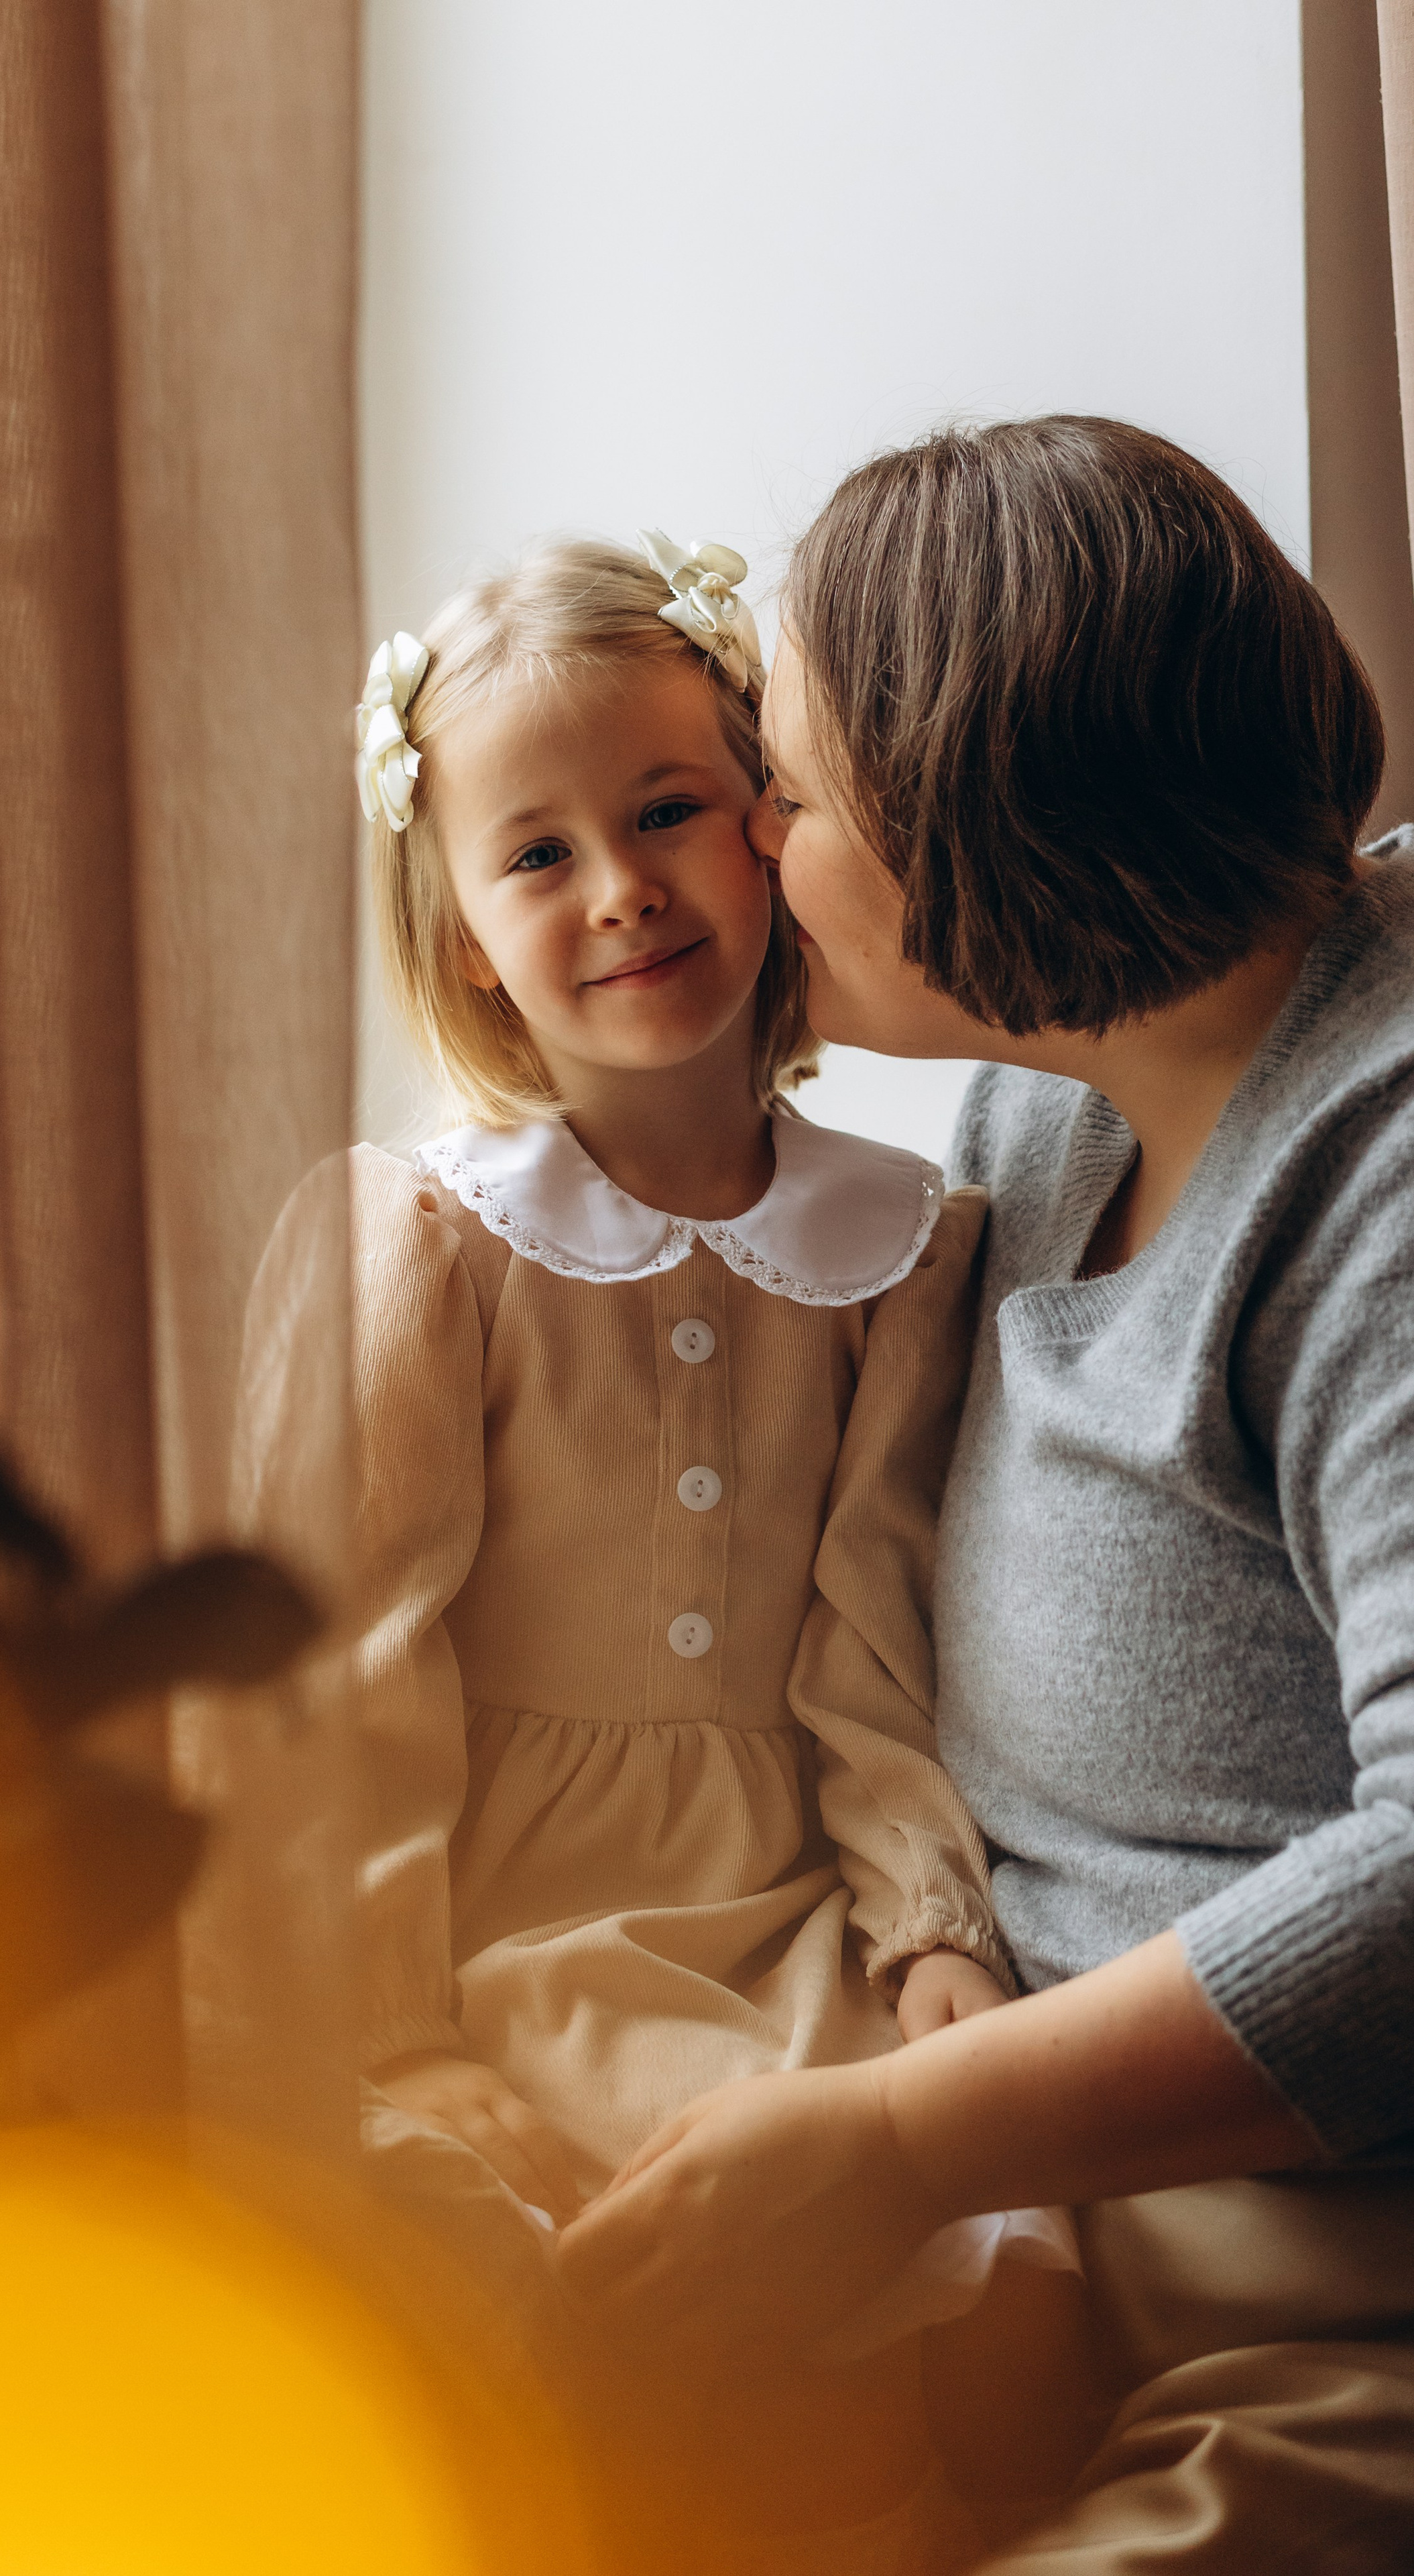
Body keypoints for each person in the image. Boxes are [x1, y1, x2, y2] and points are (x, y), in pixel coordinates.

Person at [556, 417, 1414, 2569]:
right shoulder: (1036, 1129)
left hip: (1324, 2281)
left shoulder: (1375, 1173)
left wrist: (887, 2149)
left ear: (990, 829)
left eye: (798, 791)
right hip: (1008, 2187)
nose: (751, 832)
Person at [235, 531, 1081, 2562]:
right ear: (458, 938)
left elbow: (877, 1629)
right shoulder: (429, 1237)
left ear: (769, 831)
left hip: (783, 1902)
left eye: (669, 810)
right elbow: (344, 1669)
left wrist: (929, 1930)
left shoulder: (914, 1235)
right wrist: (393, 2034)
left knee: (977, 2277)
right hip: (497, 1925)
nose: (621, 886)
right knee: (576, 2294)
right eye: (537, 855)